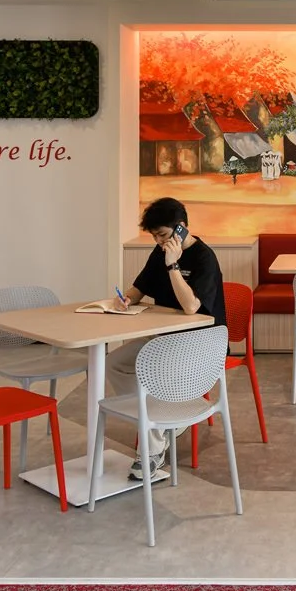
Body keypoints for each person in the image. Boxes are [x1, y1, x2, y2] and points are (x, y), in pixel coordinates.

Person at [97, 197, 226, 481]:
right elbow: (139, 288)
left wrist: (173, 265)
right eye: (154, 236)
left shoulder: (204, 257)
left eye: (163, 235)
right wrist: (126, 299)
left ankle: (152, 448)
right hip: (165, 339)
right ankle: (160, 423)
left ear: (181, 228)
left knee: (150, 371)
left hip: (200, 344)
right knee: (114, 363)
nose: (158, 241)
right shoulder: (158, 252)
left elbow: (191, 307)